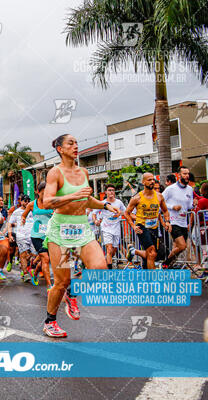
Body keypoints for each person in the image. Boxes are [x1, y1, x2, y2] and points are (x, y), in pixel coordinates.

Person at [42, 134, 121, 338]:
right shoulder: (55, 173)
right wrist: (72, 195)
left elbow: (87, 200)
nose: (75, 146)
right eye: (71, 143)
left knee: (100, 270)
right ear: (60, 148)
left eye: (77, 142)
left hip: (81, 229)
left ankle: (73, 292)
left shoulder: (83, 171)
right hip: (60, 232)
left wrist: (104, 205)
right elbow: (47, 202)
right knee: (61, 282)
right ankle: (50, 322)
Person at [124, 172, 171, 269]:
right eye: (149, 180)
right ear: (143, 182)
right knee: (152, 252)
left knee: (151, 255)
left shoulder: (159, 196)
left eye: (153, 179)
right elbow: (126, 213)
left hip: (154, 227)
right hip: (142, 227)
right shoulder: (137, 198)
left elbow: (165, 211)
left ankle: (134, 252)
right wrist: (133, 226)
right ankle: (152, 280)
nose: (152, 182)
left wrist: (167, 222)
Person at [161, 166, 194, 268]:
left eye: (188, 173)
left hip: (183, 222)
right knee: (182, 245)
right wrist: (172, 207)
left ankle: (168, 266)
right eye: (184, 174)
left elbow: (189, 206)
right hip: (173, 221)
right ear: (179, 175)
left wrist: (194, 205)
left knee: (181, 247)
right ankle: (165, 264)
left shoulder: (190, 189)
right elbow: (160, 202)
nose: (187, 176)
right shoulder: (170, 189)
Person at [22, 182, 53, 288]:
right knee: (45, 258)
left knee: (46, 259)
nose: (46, 196)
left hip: (49, 235)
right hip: (36, 236)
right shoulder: (31, 204)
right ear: (38, 192)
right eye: (43, 193)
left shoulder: (52, 203)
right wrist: (22, 220)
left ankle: (34, 273)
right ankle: (49, 286)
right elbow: (24, 215)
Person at [93, 184, 126, 269]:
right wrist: (96, 220)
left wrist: (119, 213)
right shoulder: (103, 203)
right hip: (106, 228)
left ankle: (107, 261)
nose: (111, 192)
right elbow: (94, 213)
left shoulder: (119, 202)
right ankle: (109, 271)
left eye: (113, 190)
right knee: (109, 248)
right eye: (109, 190)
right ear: (106, 192)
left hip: (116, 228)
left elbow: (125, 212)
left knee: (113, 251)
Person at [8, 195, 33, 282]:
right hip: (21, 236)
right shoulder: (16, 212)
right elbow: (10, 223)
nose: (26, 203)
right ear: (21, 202)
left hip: (32, 236)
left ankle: (24, 267)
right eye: (25, 201)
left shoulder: (32, 211)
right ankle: (25, 273)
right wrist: (10, 235)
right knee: (23, 254)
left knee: (33, 254)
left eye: (28, 201)